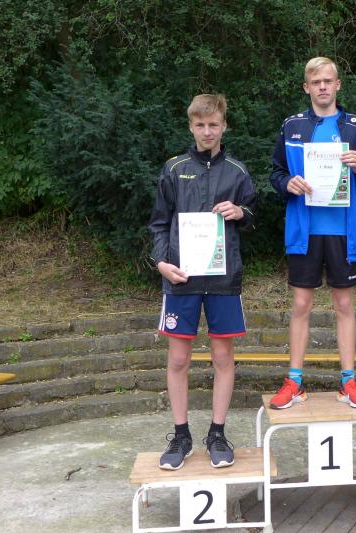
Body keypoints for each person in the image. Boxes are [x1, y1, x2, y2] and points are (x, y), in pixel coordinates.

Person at [269, 57, 356, 410]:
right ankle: (294, 381)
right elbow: (275, 173)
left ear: (338, 85)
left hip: (343, 231)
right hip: (305, 230)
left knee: (344, 304)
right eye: (316, 81)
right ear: (307, 87)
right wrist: (287, 183)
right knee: (301, 304)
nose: (322, 86)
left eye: (328, 81)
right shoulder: (292, 126)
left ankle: (348, 381)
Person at [149, 94, 256, 469]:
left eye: (213, 124)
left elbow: (253, 214)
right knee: (178, 359)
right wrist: (161, 262)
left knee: (223, 357)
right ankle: (181, 435)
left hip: (224, 280)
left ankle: (217, 433)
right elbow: (159, 222)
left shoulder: (238, 172)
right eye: (200, 125)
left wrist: (240, 211)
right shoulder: (174, 169)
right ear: (191, 126)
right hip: (182, 279)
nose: (207, 131)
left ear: (224, 126)